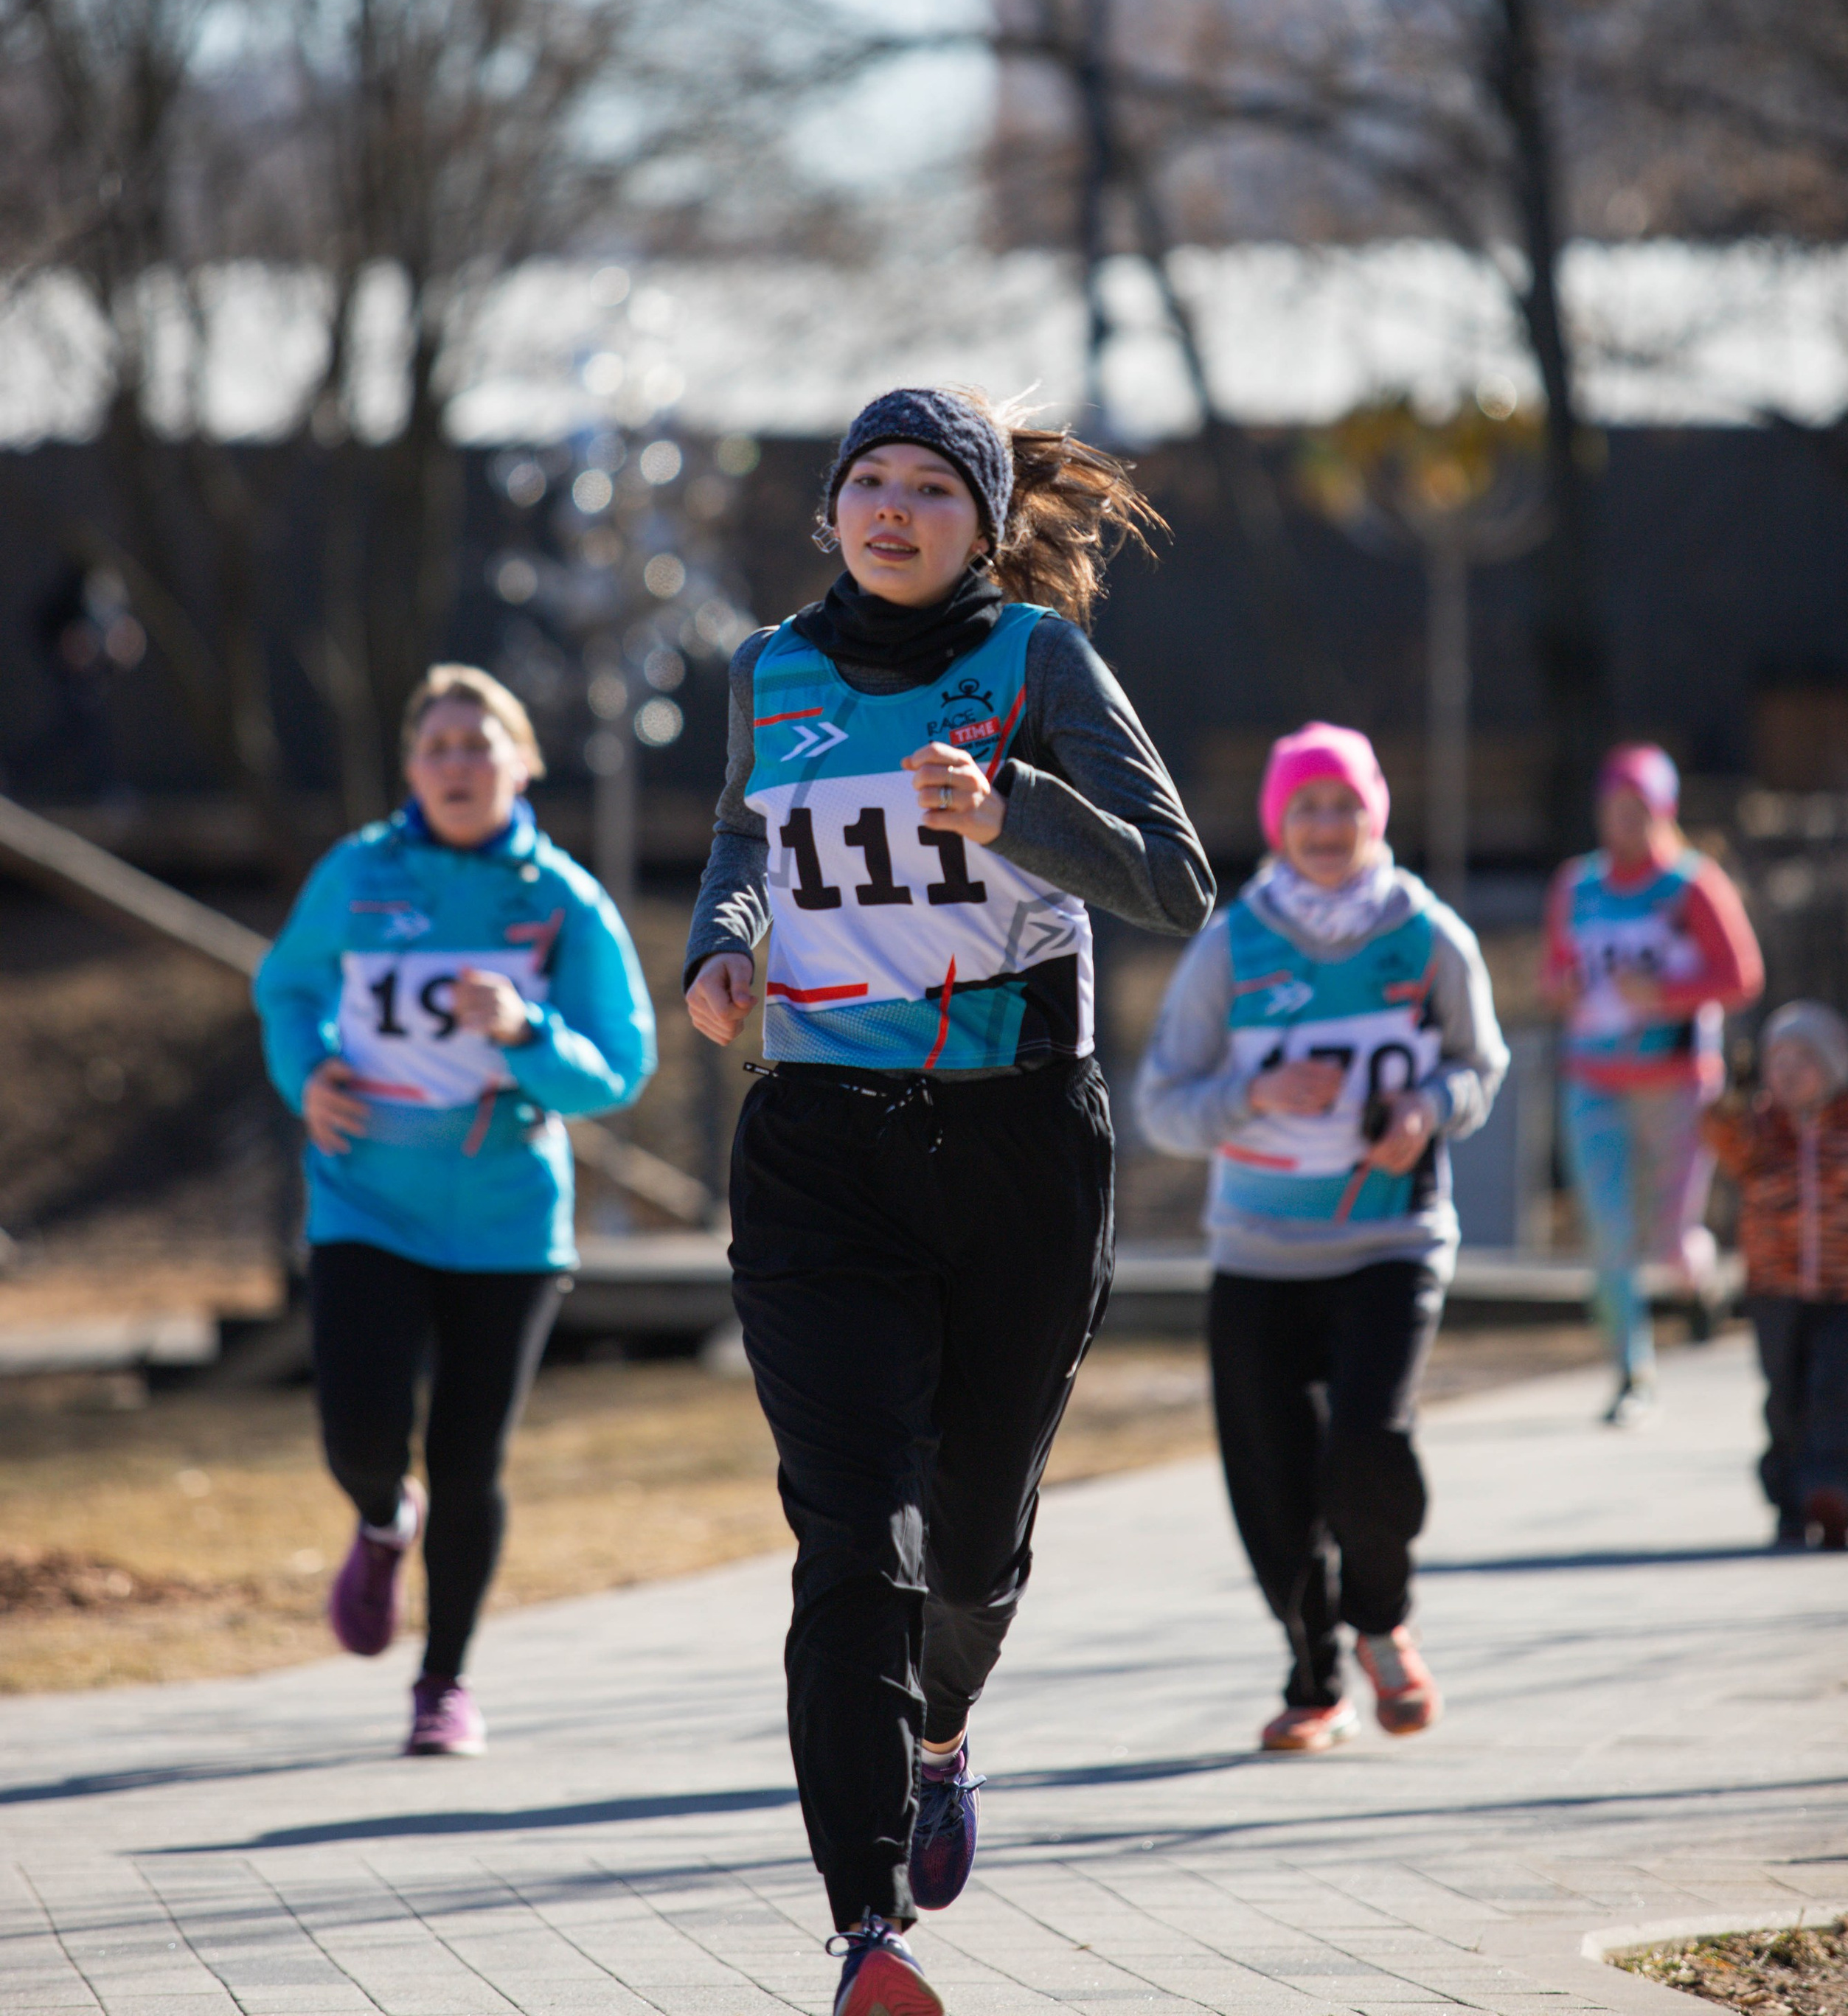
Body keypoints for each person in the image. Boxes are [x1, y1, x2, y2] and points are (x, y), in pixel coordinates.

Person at [684, 386, 1212, 2016]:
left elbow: (1175, 883)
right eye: (867, 482)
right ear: (830, 510)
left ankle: (939, 1730)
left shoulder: (1034, 666)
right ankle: (864, 1932)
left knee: (970, 1544)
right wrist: (723, 940)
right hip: (820, 1151)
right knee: (854, 1538)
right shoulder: (770, 672)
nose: (893, 509)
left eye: (930, 487)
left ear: (983, 524)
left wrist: (1012, 815)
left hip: (1014, 1155)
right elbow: (744, 833)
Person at [255, 663, 655, 1758]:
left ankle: (444, 1684)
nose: (458, 766)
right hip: (365, 1199)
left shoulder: (560, 899)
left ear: (521, 762)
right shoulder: (358, 873)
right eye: (437, 748)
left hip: (507, 1218)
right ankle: (383, 1522)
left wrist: (527, 1032)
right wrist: (309, 1074)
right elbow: (286, 986)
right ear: (410, 769)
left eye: (480, 746)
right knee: (361, 1431)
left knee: (471, 1459)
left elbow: (617, 1069)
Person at [1135, 721, 1506, 1756]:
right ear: (1277, 823)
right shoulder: (1233, 944)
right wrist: (1255, 1094)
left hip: (1392, 1240)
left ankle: (1383, 1618)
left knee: (1369, 1449)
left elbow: (1483, 1063)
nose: (1328, 825)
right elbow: (1162, 1104)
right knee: (1272, 1484)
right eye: (1307, 807)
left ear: (1376, 813)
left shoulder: (1426, 934)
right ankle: (1314, 1682)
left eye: (1345, 804)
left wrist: (1428, 1110)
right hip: (1258, 1249)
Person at [1541, 744, 1765, 1426]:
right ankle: (1631, 1373)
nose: (1625, 823)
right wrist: (1567, 986)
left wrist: (1665, 993)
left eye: (1639, 809)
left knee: (1668, 1242)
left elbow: (1741, 976)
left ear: (1663, 811)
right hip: (1594, 1081)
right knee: (1609, 1236)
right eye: (1614, 808)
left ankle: (1699, 1281)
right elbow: (1552, 977)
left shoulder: (1693, 886)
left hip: (1676, 1083)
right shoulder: (1576, 885)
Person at [1701, 1001, 1848, 1550]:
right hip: (1773, 1292)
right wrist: (1733, 1090)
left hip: (1846, 1294)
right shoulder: (1758, 1136)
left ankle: (1834, 1495)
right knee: (1784, 1398)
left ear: (1833, 1068)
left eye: (1803, 1059)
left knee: (1837, 1393)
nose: (1786, 1071)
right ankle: (1788, 1498)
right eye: (1776, 1059)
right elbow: (1717, 1131)